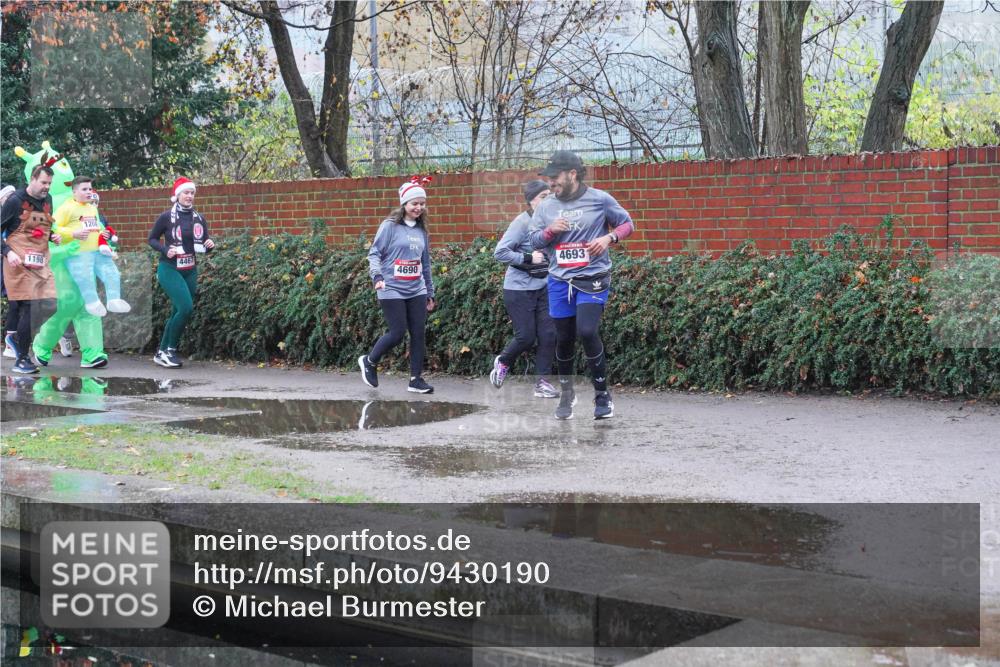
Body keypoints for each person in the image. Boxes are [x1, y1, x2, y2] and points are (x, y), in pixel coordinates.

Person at [529, 150, 635, 420]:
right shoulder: (546, 207)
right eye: (548, 178)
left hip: (593, 277)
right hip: (559, 280)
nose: (551, 183)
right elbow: (534, 242)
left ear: (572, 174)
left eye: (555, 177)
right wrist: (550, 231)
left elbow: (627, 224)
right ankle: (567, 394)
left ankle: (602, 395)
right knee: (563, 338)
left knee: (587, 331)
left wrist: (608, 238)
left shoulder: (599, 199)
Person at [359, 176, 436, 394]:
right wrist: (377, 276)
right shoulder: (390, 226)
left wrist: (430, 291)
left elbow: (426, 264)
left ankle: (415, 380)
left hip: (416, 288)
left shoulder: (422, 231)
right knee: (397, 332)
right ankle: (370, 361)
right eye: (414, 203)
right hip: (390, 286)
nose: (419, 207)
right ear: (404, 204)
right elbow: (374, 253)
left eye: (422, 204)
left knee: (418, 333)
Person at [490, 180, 558, 398]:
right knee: (526, 337)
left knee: (549, 334)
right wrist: (528, 257)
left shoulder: (552, 223)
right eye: (543, 196)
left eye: (550, 195)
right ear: (531, 201)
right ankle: (503, 361)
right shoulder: (522, 222)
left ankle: (542, 383)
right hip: (519, 289)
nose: (548, 200)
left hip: (545, 286)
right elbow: (500, 253)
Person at [147, 177, 215, 368]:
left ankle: (161, 352)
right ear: (177, 195)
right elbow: (152, 239)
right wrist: (164, 249)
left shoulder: (199, 218)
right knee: (186, 308)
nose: (189, 196)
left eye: (192, 193)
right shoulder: (166, 217)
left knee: (178, 310)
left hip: (190, 269)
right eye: (186, 192)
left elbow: (203, 245)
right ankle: (170, 350)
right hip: (169, 269)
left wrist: (210, 246)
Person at [0, 164, 60, 374]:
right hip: (19, 263)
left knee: (52, 304)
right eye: (44, 182)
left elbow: (45, 226)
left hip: (41, 261)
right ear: (32, 179)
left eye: (49, 183)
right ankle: (22, 359)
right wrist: (8, 252)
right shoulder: (15, 201)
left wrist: (52, 235)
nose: (47, 187)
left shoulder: (48, 200)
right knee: (30, 307)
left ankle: (17, 338)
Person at [52, 176, 130, 317]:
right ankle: (92, 302)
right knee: (85, 277)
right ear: (74, 191)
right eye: (84, 189)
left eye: (90, 189)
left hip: (98, 251)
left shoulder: (92, 208)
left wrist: (104, 235)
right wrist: (73, 233)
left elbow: (96, 227)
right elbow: (53, 228)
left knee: (112, 273)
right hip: (77, 253)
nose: (89, 192)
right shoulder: (66, 208)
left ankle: (114, 300)